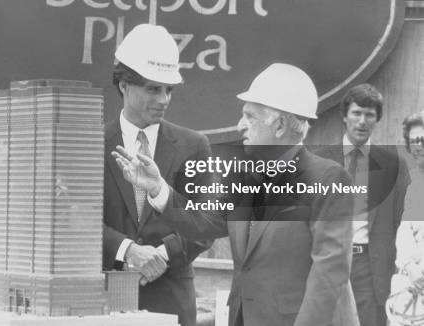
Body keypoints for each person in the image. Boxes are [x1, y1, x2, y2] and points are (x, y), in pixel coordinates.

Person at [113, 63, 359, 326]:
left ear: (280, 126)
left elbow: (329, 273)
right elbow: (204, 223)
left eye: (250, 117)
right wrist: (158, 189)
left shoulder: (328, 179)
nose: (241, 125)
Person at [103, 24, 213, 326]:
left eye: (169, 90)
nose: (164, 99)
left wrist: (161, 256)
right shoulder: (92, 145)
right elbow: (77, 220)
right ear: (124, 85)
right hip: (105, 301)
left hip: (172, 300)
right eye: (153, 88)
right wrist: (128, 251)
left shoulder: (194, 146)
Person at [317, 83, 410, 326]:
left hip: (369, 268)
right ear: (345, 116)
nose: (362, 121)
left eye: (369, 115)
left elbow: (400, 222)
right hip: (325, 263)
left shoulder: (393, 165)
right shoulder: (318, 161)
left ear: (377, 119)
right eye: (357, 113)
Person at [386, 111, 424, 325]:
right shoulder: (411, 184)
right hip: (407, 290)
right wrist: (409, 267)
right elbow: (403, 235)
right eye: (413, 141)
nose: (418, 146)